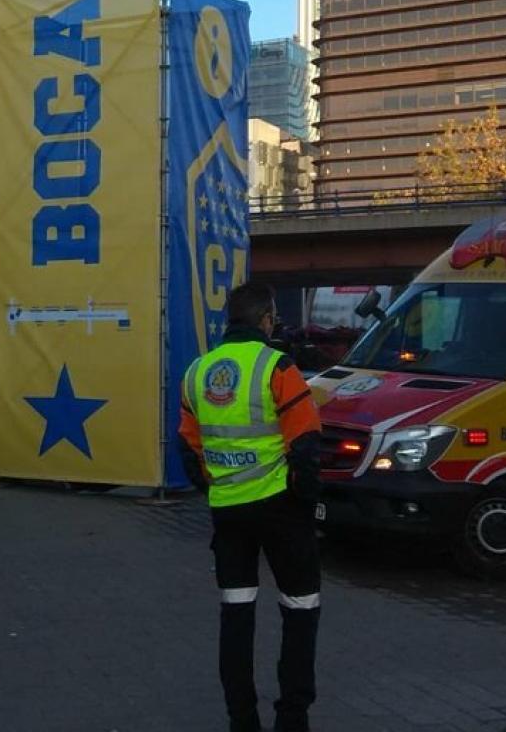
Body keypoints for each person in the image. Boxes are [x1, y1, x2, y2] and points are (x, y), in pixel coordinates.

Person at [179, 285, 326, 732]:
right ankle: (292, 719)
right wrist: (308, 505)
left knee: (236, 617)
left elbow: (188, 449)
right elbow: (305, 443)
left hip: (228, 514)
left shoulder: (197, 372)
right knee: (300, 611)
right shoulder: (278, 367)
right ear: (266, 319)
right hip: (282, 509)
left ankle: (242, 721)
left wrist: (217, 488)